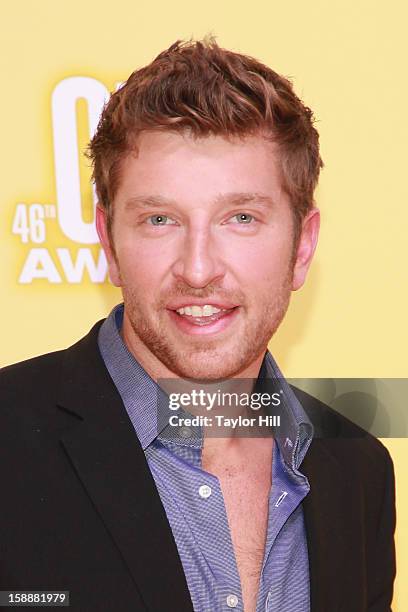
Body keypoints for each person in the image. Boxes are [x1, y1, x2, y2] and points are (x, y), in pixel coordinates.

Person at [0, 38, 395, 612]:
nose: (199, 268)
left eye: (241, 218)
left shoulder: (357, 472)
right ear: (108, 241)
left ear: (302, 246)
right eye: (160, 219)